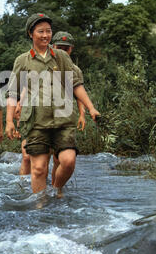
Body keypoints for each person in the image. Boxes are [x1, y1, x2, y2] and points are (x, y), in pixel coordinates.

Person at [6, 13, 100, 197]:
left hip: (62, 120)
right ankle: (40, 208)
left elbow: (76, 85)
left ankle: (57, 188)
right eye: (40, 31)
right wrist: (9, 120)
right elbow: (13, 93)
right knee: (39, 168)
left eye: (48, 31)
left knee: (68, 160)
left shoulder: (62, 57)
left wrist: (90, 108)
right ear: (30, 34)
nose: (45, 35)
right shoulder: (22, 61)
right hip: (36, 122)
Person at [51, 31, 86, 183]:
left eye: (66, 49)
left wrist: (82, 114)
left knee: (60, 159)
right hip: (42, 117)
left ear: (71, 49)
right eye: (59, 47)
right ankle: (39, 192)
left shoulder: (75, 70)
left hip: (65, 118)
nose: (62, 51)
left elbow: (79, 94)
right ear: (52, 47)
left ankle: (56, 189)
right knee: (42, 160)